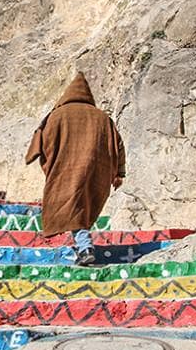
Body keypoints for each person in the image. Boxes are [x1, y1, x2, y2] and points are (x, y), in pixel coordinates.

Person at [25, 73, 126, 266]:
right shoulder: (103, 118)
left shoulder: (56, 115)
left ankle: (85, 247)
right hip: (97, 170)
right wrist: (119, 172)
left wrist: (43, 160)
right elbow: (118, 145)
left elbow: (40, 140)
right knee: (82, 206)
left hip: (67, 170)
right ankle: (83, 245)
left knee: (73, 206)